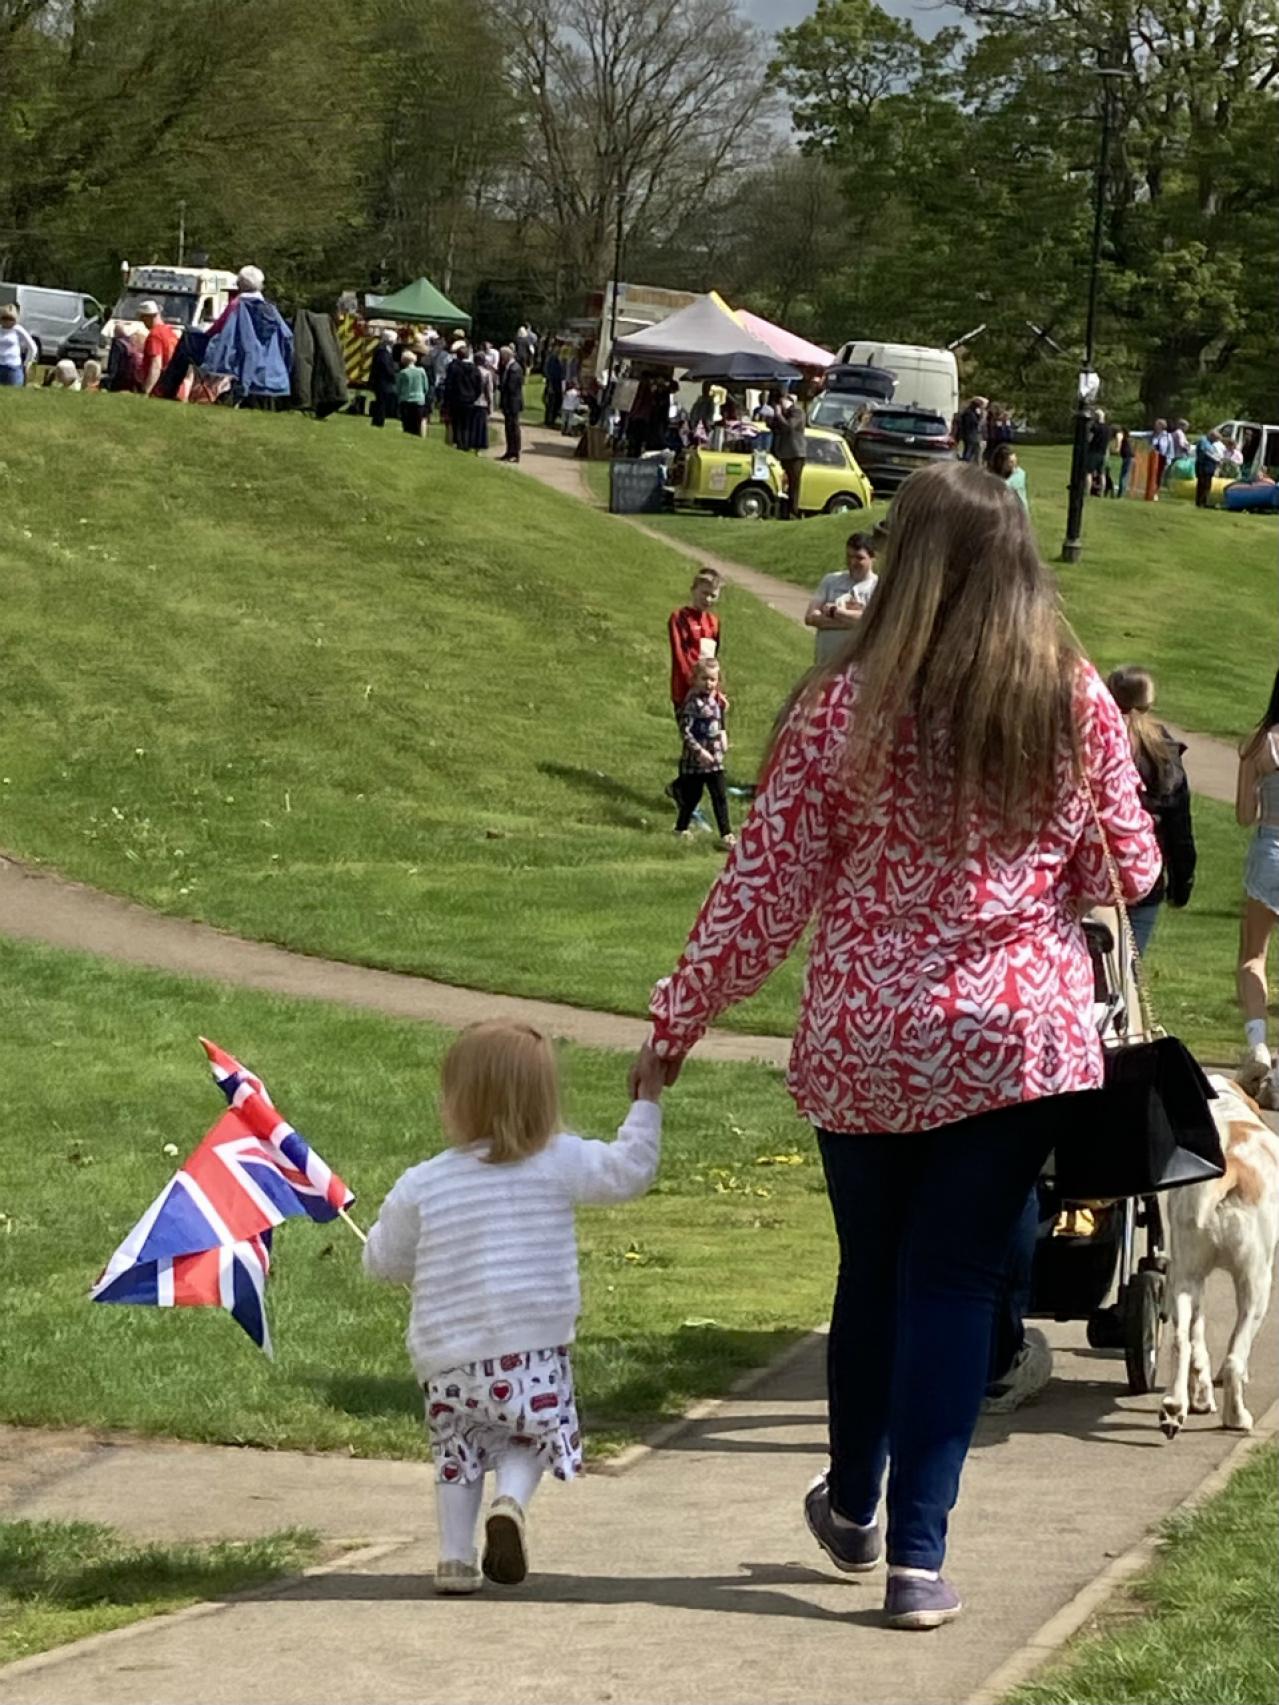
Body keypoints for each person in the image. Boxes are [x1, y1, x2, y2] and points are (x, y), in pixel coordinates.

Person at [631, 461, 1160, 1630]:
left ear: (908, 561)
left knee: (872, 1271)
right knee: (956, 1280)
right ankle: (918, 1558)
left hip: (867, 1032)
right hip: (1015, 1037)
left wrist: (677, 1021)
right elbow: (1129, 865)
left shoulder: (840, 708)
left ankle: (854, 1504)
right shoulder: (1070, 698)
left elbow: (763, 891)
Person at [364, 1020, 663, 1594]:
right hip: (530, 1350)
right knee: (530, 1436)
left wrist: (375, 1243)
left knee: (456, 1451)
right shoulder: (558, 1160)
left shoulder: (424, 1182)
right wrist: (646, 1103)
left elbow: (385, 1262)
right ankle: (510, 1502)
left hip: (448, 1360)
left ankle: (454, 1558)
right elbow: (630, 1170)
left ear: (458, 1101)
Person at [1106, 667, 1196, 955]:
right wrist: (1181, 883)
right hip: (1143, 877)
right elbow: (1178, 824)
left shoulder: (1096, 742)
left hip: (1096, 875)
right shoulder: (1162, 752)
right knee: (1130, 968)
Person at [1235, 670, 1279, 1096]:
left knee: (1253, 955)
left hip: (1270, 849)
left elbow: (1245, 815)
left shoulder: (1259, 742)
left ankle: (1258, 1044)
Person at [673, 658, 735, 849]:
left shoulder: (716, 700)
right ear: (695, 679)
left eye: (713, 680)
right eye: (704, 679)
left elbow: (719, 720)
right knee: (692, 797)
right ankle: (681, 828)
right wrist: (698, 751)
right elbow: (685, 731)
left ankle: (726, 834)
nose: (709, 684)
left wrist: (723, 734)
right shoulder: (692, 704)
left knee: (720, 796)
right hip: (696, 762)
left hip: (715, 760)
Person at [805, 533, 879, 664]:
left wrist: (834, 612)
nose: (852, 562)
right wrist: (854, 622)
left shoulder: (879, 587)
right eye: (849, 556)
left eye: (859, 558)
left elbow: (874, 622)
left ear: (873, 558)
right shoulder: (831, 580)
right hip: (824, 664)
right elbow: (810, 617)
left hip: (857, 667)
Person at [771, 394, 808, 519]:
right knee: (784, 484)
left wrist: (779, 415)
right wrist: (775, 417)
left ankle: (793, 512)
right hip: (784, 454)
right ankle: (783, 512)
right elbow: (774, 427)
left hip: (795, 454)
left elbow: (789, 426)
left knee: (794, 484)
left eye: (782, 401)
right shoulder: (784, 414)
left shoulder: (798, 412)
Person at [445, 346, 486, 452]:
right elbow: (479, 386)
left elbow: (449, 384)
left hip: (456, 399)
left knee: (457, 423)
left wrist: (447, 399)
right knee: (468, 424)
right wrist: (473, 397)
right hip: (470, 401)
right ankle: (466, 444)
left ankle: (459, 443)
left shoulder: (453, 367)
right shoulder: (474, 369)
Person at [137, 301, 179, 396]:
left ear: (150, 316)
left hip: (159, 388)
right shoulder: (170, 332)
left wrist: (146, 391)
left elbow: (156, 365)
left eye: (143, 318)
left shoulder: (155, 335)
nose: (142, 322)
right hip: (170, 384)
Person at [497, 345, 524, 463]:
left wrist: (501, 387)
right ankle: (509, 451)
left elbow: (512, 387)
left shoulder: (515, 368)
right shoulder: (508, 367)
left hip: (513, 403)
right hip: (508, 402)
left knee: (514, 428)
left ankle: (515, 452)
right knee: (508, 428)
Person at [0, 303, 37, 386]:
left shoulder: (18, 329)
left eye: (11, 319)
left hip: (13, 368)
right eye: (4, 318)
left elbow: (32, 347)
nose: (7, 321)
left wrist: (27, 363)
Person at [369, 328, 399, 429]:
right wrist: (393, 374)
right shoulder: (382, 351)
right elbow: (385, 366)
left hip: (382, 381)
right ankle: (378, 421)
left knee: (382, 402)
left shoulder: (384, 350)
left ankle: (378, 420)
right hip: (382, 381)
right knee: (381, 402)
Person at [396, 350, 428, 437]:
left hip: (406, 400)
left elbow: (398, 388)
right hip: (419, 400)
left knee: (407, 426)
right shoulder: (421, 371)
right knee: (417, 424)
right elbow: (426, 387)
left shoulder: (403, 373)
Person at [988, 441, 1029, 511]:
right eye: (1011, 462)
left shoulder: (1019, 474)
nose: (1014, 466)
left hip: (1016, 511)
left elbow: (1005, 485)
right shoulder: (992, 475)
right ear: (1000, 462)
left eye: (1015, 462)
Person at [1194, 428, 1224, 508]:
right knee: (1203, 484)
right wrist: (1216, 460)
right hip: (1203, 466)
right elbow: (1205, 453)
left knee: (1207, 485)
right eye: (1215, 439)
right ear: (1211, 436)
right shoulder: (1203, 441)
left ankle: (1204, 501)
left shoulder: (1210, 443)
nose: (1215, 442)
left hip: (1209, 467)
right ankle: (1201, 502)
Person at [1086, 409, 1114, 496]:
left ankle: (1087, 490)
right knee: (1102, 473)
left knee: (1088, 472)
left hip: (1093, 452)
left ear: (1096, 417)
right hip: (1103, 453)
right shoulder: (1108, 429)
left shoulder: (1095, 427)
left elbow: (1089, 439)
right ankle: (1101, 492)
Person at [1146, 418, 1173, 500]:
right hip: (1152, 457)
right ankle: (1149, 491)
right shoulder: (1152, 435)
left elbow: (1170, 449)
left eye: (1157, 425)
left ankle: (1155, 492)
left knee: (1159, 475)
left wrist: (1169, 460)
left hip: (1162, 458)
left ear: (1162, 426)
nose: (1155, 426)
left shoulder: (1168, 436)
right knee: (1151, 474)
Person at [957, 396, 985, 463]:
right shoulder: (969, 413)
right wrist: (980, 416)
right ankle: (966, 462)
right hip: (970, 434)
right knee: (969, 450)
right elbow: (973, 423)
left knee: (970, 449)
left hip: (970, 433)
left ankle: (966, 461)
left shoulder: (971, 412)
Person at [543, 345, 564, 427]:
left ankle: (551, 419)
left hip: (557, 384)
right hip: (552, 383)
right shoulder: (552, 359)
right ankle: (549, 421)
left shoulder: (556, 360)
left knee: (555, 402)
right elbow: (550, 372)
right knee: (551, 402)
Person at [1115, 428, 1135, 497]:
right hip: (1129, 457)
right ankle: (1122, 492)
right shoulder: (1128, 439)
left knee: (1123, 475)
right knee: (1125, 475)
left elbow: (1119, 445)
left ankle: (1120, 493)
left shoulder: (1124, 439)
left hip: (1127, 458)